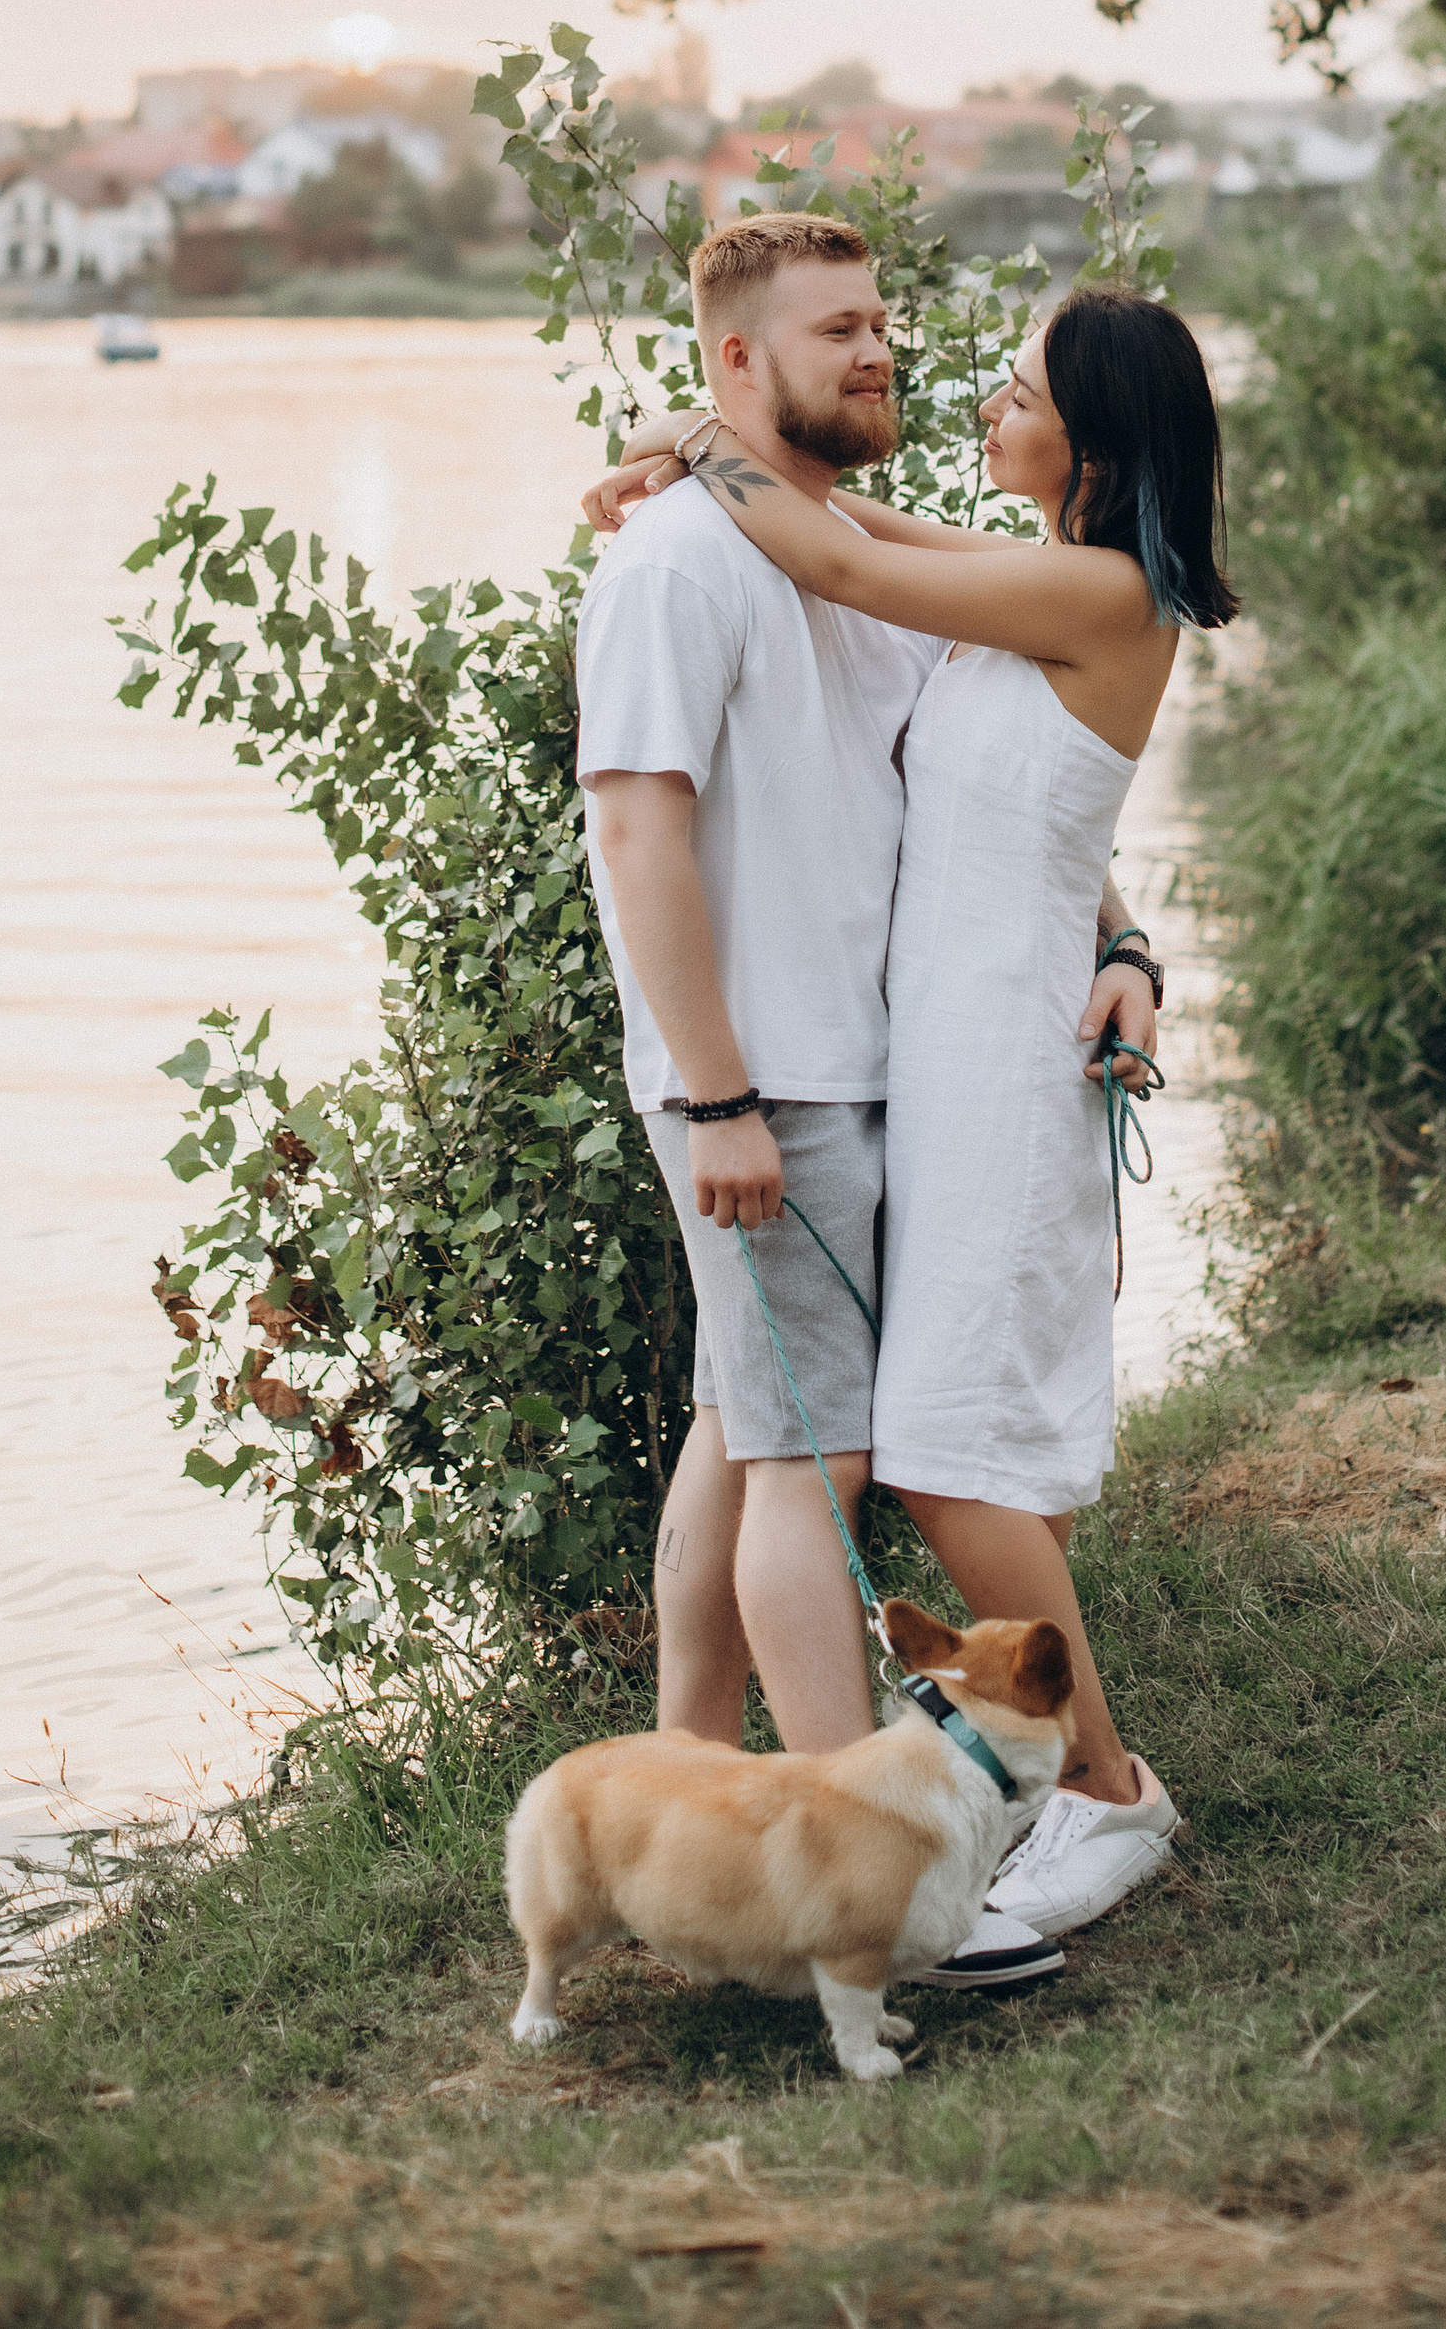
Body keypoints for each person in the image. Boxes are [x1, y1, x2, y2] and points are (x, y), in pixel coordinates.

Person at [584, 274, 1237, 1940]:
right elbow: (850, 520)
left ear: (1091, 434)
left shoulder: (1102, 591)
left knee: (945, 1457)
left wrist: (692, 437)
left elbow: (841, 556)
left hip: (1003, 1068)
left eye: (1018, 391)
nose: (985, 411)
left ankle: (1105, 1787)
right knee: (863, 1434)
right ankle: (768, 1776)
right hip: (928, 1055)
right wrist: (1136, 937)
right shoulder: (1026, 582)